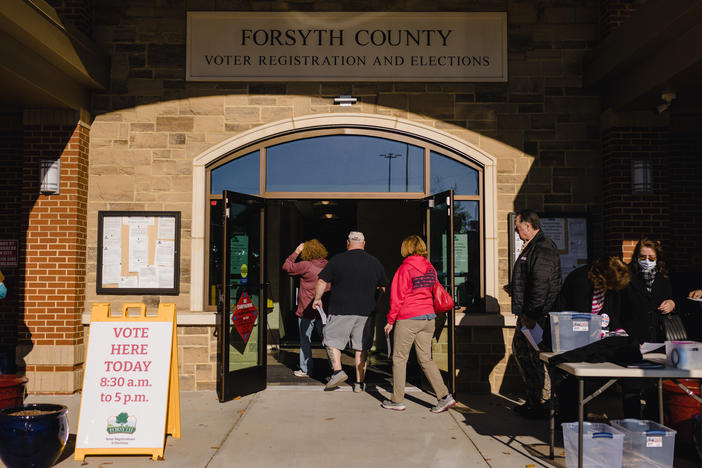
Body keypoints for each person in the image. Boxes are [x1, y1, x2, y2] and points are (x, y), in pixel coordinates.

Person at [551, 256, 632, 423]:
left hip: (589, 338)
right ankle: (569, 424)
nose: (613, 289)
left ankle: (578, 422)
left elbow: (609, 314)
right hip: (569, 337)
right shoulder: (581, 281)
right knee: (571, 385)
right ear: (604, 278)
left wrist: (618, 331)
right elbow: (579, 317)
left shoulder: (606, 288)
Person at [381, 235, 456, 413]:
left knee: (399, 359)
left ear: (405, 249)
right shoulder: (430, 268)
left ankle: (397, 400)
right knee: (426, 359)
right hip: (428, 318)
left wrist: (390, 320)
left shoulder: (404, 269)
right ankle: (444, 397)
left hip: (408, 318)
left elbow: (397, 297)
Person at [312, 231, 388, 392]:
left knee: (331, 340)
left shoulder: (337, 260)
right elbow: (383, 287)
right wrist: (378, 303)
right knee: (361, 348)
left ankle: (338, 372)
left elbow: (321, 280)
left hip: (341, 309)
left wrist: (317, 298)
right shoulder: (374, 262)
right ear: (364, 243)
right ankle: (359, 384)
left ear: (348, 243)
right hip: (366, 311)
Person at [506, 209, 561, 418]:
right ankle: (533, 400)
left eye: (519, 228)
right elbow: (530, 280)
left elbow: (541, 285)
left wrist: (532, 315)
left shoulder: (543, 248)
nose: (518, 233)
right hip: (529, 313)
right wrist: (515, 289)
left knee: (538, 358)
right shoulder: (533, 247)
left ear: (528, 226)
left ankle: (544, 403)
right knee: (523, 354)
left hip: (537, 316)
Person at [620, 237, 676, 419]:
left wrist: (672, 303)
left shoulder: (664, 279)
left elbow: (676, 299)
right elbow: (619, 310)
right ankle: (631, 427)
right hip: (633, 339)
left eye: (651, 258)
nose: (647, 261)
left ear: (658, 260)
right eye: (643, 257)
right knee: (631, 390)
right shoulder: (627, 279)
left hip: (657, 340)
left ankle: (653, 430)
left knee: (655, 391)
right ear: (636, 257)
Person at [282, 239, 330, 378]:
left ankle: (305, 369)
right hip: (323, 311)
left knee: (305, 340)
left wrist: (296, 252)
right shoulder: (327, 264)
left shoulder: (305, 265)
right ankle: (335, 368)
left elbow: (286, 266)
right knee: (328, 341)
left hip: (306, 310)